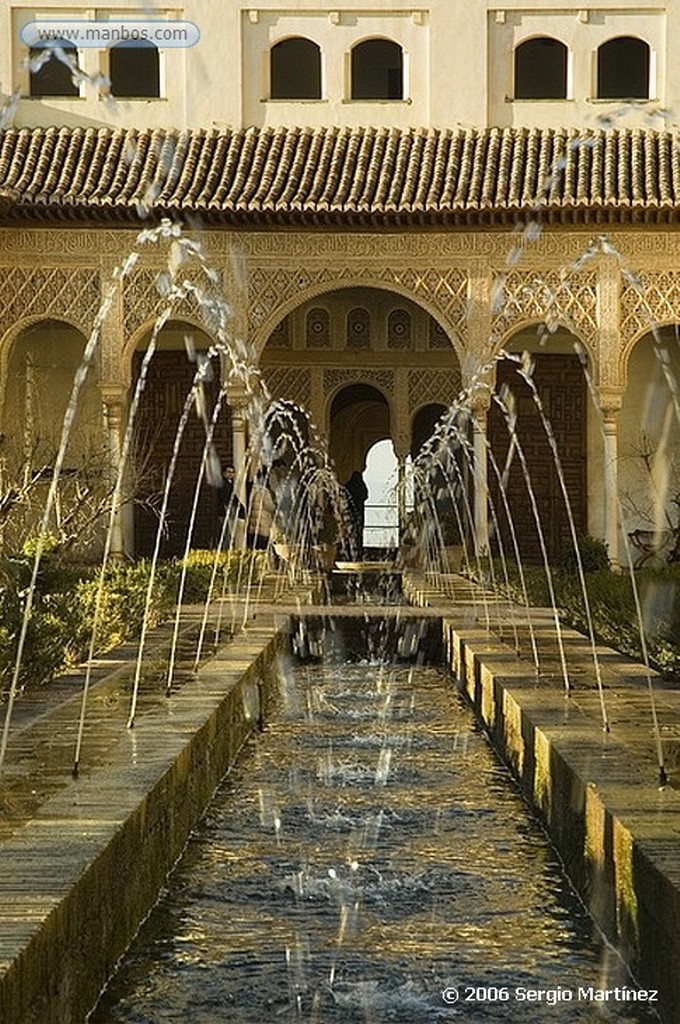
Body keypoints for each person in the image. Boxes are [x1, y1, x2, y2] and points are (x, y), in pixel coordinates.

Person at [217, 465, 245, 549]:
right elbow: (225, 498)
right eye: (228, 472)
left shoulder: (229, 483)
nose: (231, 474)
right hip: (226, 510)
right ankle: (225, 548)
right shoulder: (223, 484)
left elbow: (233, 496)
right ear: (224, 473)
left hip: (229, 509)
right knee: (227, 531)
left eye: (233, 472)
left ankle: (226, 547)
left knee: (229, 530)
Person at [344, 470, 368, 558]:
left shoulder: (348, 486)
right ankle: (358, 553)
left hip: (350, 513)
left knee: (350, 533)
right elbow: (366, 495)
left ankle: (349, 554)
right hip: (360, 512)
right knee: (358, 532)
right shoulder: (361, 486)